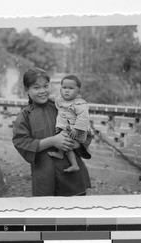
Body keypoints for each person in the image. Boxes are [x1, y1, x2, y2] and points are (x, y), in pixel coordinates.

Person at [12, 68, 91, 197]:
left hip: (71, 174)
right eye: (36, 87)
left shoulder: (63, 106)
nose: (43, 91)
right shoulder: (25, 115)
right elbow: (20, 141)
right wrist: (52, 141)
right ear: (26, 90)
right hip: (45, 175)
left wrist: (75, 144)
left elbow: (86, 131)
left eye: (46, 86)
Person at [48, 75, 90, 173]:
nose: (67, 91)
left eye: (71, 88)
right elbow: (54, 99)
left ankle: (62, 155)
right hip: (67, 129)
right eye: (64, 88)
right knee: (66, 144)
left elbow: (83, 118)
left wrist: (77, 129)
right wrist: (47, 97)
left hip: (76, 131)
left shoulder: (79, 104)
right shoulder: (60, 100)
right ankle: (73, 164)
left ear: (78, 91)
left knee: (65, 141)